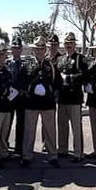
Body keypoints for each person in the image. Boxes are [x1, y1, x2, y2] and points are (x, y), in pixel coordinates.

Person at [21, 37, 60, 167]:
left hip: (47, 103)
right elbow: (21, 83)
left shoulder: (51, 65)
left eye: (42, 49)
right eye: (37, 49)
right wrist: (32, 89)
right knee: (29, 130)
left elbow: (57, 83)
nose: (40, 51)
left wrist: (49, 91)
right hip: (31, 103)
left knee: (50, 130)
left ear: (45, 49)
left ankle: (52, 155)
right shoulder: (27, 64)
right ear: (33, 50)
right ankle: (27, 155)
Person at [56, 32, 87, 163]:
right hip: (62, 98)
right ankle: (62, 149)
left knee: (76, 127)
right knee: (62, 125)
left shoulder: (80, 59)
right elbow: (57, 76)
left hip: (74, 98)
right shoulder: (61, 59)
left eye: (71, 43)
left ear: (75, 45)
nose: (68, 46)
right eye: (66, 43)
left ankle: (78, 153)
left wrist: (68, 78)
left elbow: (83, 76)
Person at [7, 38, 29, 160]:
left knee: (21, 124)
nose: (16, 50)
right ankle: (4, 147)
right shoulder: (6, 63)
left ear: (21, 49)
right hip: (9, 97)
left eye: (18, 48)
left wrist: (22, 89)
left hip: (21, 98)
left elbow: (28, 79)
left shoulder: (25, 63)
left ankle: (19, 148)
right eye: (14, 47)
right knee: (7, 123)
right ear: (12, 49)